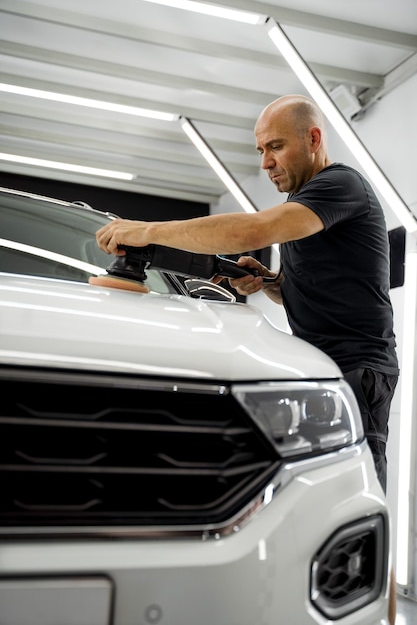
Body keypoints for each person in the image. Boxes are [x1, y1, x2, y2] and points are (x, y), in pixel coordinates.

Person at [95, 94, 398, 623]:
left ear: (314, 139)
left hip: (356, 373)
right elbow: (321, 286)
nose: (266, 163)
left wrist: (145, 232)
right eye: (260, 150)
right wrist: (273, 283)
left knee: (355, 515)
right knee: (309, 515)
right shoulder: (313, 202)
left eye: (276, 147)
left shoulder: (339, 186)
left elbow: (256, 228)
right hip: (320, 371)